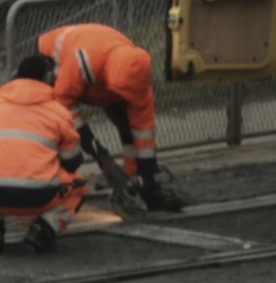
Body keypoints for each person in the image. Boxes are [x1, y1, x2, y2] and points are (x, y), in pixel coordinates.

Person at [37, 23, 185, 212]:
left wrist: (147, 177)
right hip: (51, 62)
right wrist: (90, 141)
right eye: (123, 94)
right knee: (55, 132)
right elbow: (62, 102)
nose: (127, 99)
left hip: (96, 79)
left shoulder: (138, 81)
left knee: (128, 129)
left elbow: (143, 134)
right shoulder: (82, 62)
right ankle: (48, 190)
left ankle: (134, 185)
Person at [0, 55, 88, 254]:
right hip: (39, 197)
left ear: (15, 78)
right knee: (79, 185)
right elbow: (72, 162)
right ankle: (42, 230)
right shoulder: (59, 112)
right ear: (47, 80)